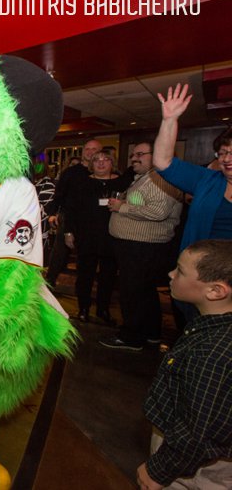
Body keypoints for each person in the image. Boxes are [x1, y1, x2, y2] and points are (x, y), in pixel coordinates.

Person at [136, 239, 232, 490]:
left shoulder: (213, 353)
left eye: (180, 271)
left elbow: (197, 431)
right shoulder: (212, 326)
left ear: (215, 291)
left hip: (193, 469)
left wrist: (158, 471)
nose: (170, 274)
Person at [153, 83, 232, 325]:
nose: (227, 159)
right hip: (201, 277)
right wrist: (170, 120)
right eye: (223, 153)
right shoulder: (208, 180)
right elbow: (164, 162)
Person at [101, 142, 183, 351]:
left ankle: (132, 337)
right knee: (144, 292)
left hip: (141, 247)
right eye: (133, 155)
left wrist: (123, 207)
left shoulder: (161, 178)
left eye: (140, 154)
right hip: (137, 246)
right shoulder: (148, 178)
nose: (134, 158)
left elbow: (158, 212)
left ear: (157, 156)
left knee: (133, 293)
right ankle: (151, 334)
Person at [63, 150, 129, 323]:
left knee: (108, 277)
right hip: (86, 236)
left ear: (112, 162)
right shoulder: (82, 183)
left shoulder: (122, 183)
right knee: (85, 275)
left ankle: (103, 309)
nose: (101, 163)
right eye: (96, 160)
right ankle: (83, 308)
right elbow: (71, 209)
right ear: (91, 164)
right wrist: (68, 232)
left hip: (113, 237)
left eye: (105, 159)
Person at [46, 139, 103, 288]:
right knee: (60, 252)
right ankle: (49, 282)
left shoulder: (104, 173)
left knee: (87, 257)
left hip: (93, 220)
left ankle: (84, 289)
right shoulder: (71, 172)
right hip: (68, 217)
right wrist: (53, 213)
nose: (90, 152)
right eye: (87, 149)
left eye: (94, 149)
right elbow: (59, 194)